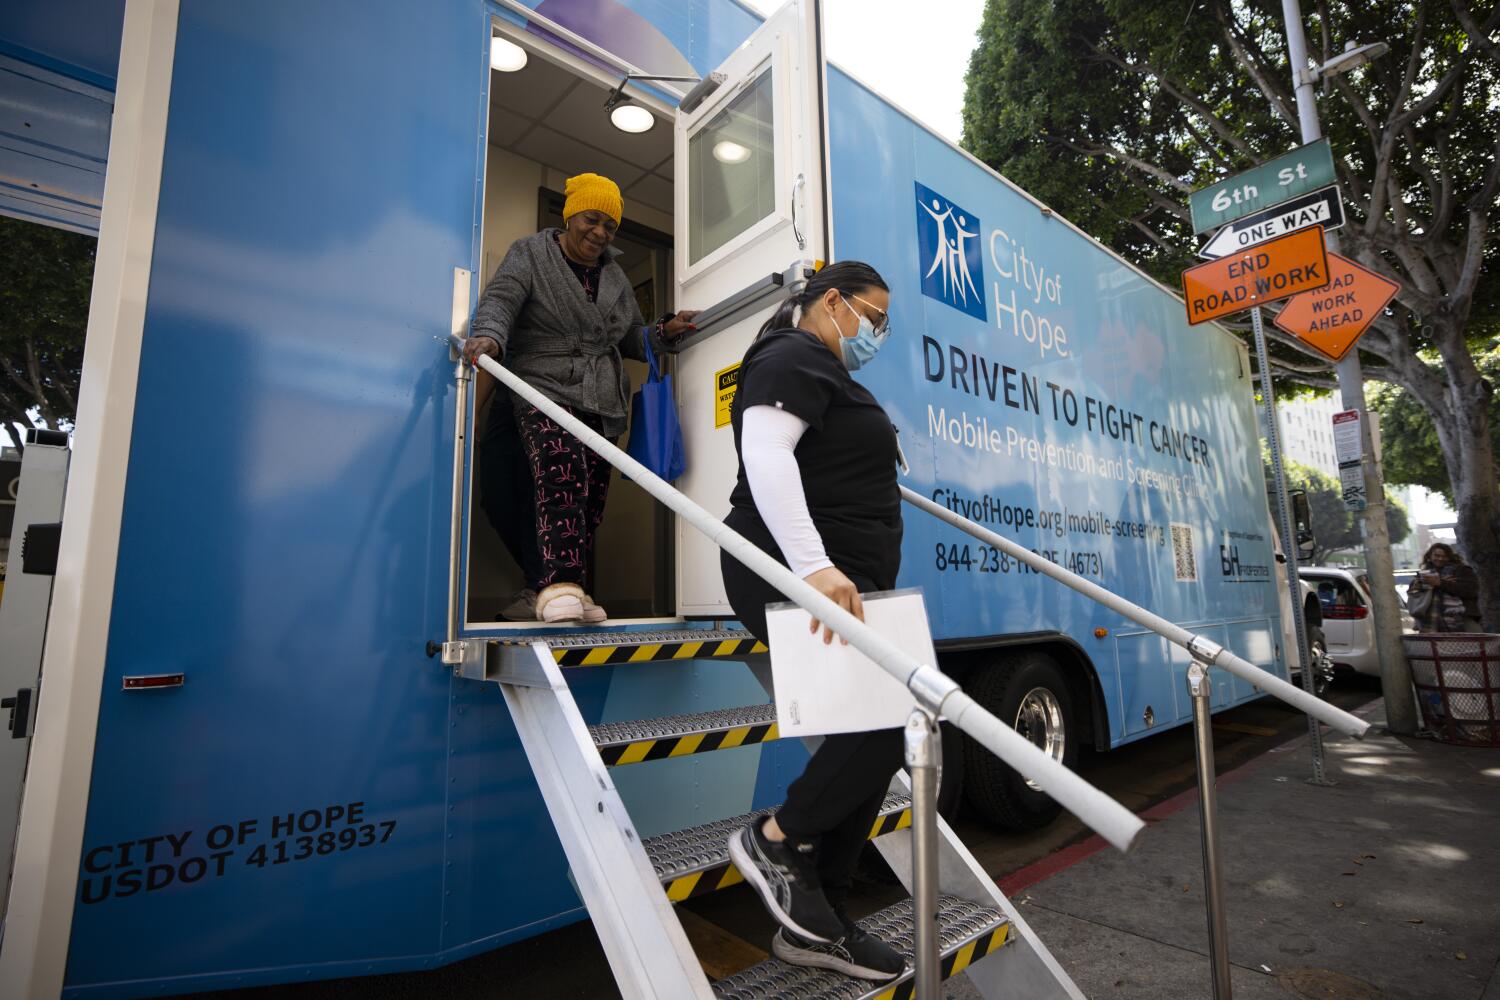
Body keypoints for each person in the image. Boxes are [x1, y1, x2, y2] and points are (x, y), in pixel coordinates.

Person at [718, 261, 907, 982]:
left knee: (878, 735)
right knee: (890, 722)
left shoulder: (825, 370)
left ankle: (818, 916)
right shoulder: (790, 353)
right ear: (833, 301)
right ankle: (777, 838)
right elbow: (765, 455)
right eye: (874, 315)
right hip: (792, 572)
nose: (877, 331)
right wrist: (813, 568)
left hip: (842, 582)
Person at [462, 173, 698, 624]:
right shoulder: (531, 253)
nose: (600, 233)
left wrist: (663, 331)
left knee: (587, 500)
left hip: (599, 396)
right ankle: (559, 585)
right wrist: (489, 338)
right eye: (592, 220)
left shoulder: (613, 275)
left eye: (610, 226)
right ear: (571, 216)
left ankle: (559, 588)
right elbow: (502, 300)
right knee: (552, 480)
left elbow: (628, 336)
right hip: (540, 384)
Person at [1406, 542, 1482, 633]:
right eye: (1437, 555)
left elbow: (1471, 591)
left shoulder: (1462, 570)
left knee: (1474, 645)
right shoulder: (1423, 574)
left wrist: (1440, 583)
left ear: (1450, 557)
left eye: (1445, 556)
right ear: (1430, 556)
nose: (1440, 559)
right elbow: (1414, 593)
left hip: (1461, 618)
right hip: (1430, 621)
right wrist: (1426, 583)